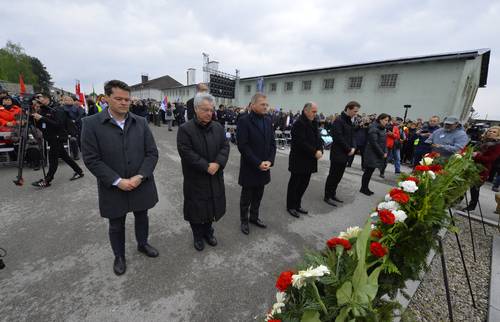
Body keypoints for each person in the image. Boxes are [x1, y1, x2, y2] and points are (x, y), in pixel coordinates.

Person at [81, 80, 159, 275]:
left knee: (142, 216)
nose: (124, 103)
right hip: (113, 186)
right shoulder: (91, 124)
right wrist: (117, 181)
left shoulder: (140, 122)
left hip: (140, 182)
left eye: (127, 99)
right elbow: (91, 159)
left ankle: (142, 244)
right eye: (118, 99)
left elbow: (152, 153)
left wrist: (140, 176)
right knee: (116, 224)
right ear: (106, 98)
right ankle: (119, 256)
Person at [177, 93, 229, 251]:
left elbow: (225, 147)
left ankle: (208, 232)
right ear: (196, 109)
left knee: (212, 206)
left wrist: (218, 163)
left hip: (215, 176)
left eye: (211, 110)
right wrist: (206, 166)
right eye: (205, 110)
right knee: (196, 209)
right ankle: (197, 236)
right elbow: (186, 152)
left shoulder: (218, 127)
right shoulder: (185, 129)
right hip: (196, 178)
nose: (209, 113)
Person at [237, 93, 276, 235]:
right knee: (246, 197)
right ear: (253, 105)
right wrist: (258, 162)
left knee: (259, 195)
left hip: (264, 166)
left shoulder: (268, 120)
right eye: (262, 104)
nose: (266, 107)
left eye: (267, 104)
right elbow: (243, 146)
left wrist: (270, 161)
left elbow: (272, 144)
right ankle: (244, 220)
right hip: (250, 166)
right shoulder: (244, 121)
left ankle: (254, 217)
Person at [31, 93, 84, 187]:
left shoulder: (58, 109)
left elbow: (58, 124)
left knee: (52, 158)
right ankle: (79, 172)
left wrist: (42, 118)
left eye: (40, 98)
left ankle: (47, 180)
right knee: (64, 156)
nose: (38, 100)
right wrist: (33, 117)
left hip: (58, 136)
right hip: (50, 137)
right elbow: (41, 125)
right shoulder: (42, 110)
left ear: (47, 98)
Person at [286, 102, 323, 218]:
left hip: (310, 160)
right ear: (306, 111)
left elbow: (318, 138)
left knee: (304, 184)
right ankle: (291, 206)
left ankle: (297, 204)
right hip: (299, 159)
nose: (315, 114)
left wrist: (320, 149)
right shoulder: (299, 124)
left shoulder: (314, 122)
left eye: (316, 112)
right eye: (313, 111)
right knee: (295, 184)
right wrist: (314, 152)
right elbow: (301, 142)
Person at [324, 101, 360, 206]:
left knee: (339, 176)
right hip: (338, 153)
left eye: (357, 112)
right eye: (355, 111)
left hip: (346, 153)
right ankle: (327, 196)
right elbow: (338, 137)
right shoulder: (339, 120)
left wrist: (353, 147)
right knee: (333, 175)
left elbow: (353, 135)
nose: (356, 113)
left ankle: (332, 193)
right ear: (348, 109)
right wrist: (349, 149)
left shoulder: (349, 121)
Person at [464, 126, 500, 211]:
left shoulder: (497, 145)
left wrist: (476, 155)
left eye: (494, 132)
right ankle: (456, 200)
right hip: (470, 165)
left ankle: (472, 206)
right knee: (463, 185)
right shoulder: (482, 141)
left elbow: (490, 159)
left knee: (474, 188)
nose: (491, 133)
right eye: (490, 131)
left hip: (482, 169)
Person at [360, 113, 390, 195]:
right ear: (380, 119)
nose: (387, 122)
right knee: (368, 172)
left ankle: (365, 187)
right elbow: (374, 143)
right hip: (371, 153)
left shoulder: (382, 128)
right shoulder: (373, 128)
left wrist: (385, 151)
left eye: (387, 120)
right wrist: (382, 153)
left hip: (376, 153)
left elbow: (384, 142)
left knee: (370, 171)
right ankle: (363, 188)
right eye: (385, 120)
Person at [61, 95, 85, 160]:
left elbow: (81, 115)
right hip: (64, 128)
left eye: (70, 100)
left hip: (75, 127)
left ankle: (75, 154)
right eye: (67, 100)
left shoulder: (77, 107)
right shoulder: (61, 108)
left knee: (74, 140)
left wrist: (75, 121)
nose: (69, 101)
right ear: (64, 101)